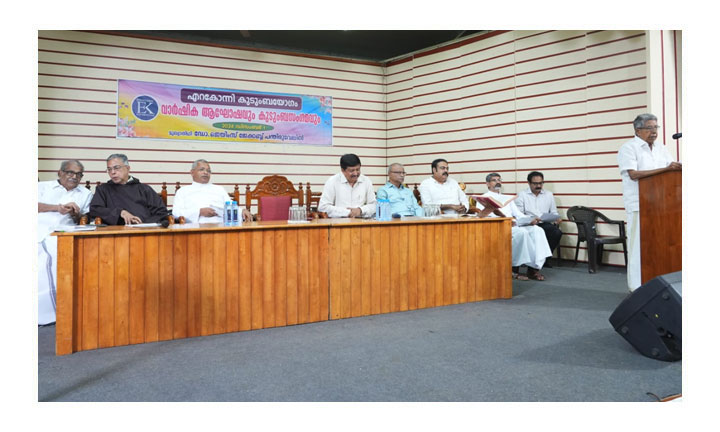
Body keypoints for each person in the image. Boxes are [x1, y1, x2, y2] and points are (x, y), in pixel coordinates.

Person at [617, 113, 682, 291]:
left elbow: (670, 171)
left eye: (656, 127)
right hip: (639, 204)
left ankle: (659, 285)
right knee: (638, 247)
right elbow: (633, 174)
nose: (654, 132)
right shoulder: (628, 148)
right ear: (638, 130)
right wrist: (666, 168)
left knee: (660, 246)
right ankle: (636, 287)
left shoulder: (661, 148)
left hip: (662, 206)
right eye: (649, 128)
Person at [38, 160, 93, 325]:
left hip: (64, 233)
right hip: (38, 229)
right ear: (60, 173)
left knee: (60, 256)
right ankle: (45, 314)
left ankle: (60, 312)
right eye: (70, 172)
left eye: (78, 174)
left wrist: (75, 214)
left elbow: (84, 218)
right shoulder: (42, 186)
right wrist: (57, 208)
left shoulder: (85, 193)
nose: (74, 177)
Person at [477, 173, 552, 281]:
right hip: (498, 226)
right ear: (487, 184)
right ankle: (513, 269)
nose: (498, 182)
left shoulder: (507, 198)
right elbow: (484, 216)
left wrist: (530, 219)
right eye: (494, 180)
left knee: (537, 230)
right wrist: (504, 219)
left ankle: (533, 268)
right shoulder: (483, 198)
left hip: (514, 224)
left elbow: (519, 214)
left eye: (499, 180)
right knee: (522, 233)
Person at [89, 154, 170, 225]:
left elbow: (161, 212)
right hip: (116, 234)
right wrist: (120, 212)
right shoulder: (103, 190)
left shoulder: (144, 189)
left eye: (116, 168)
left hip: (145, 231)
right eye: (109, 169)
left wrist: (142, 223)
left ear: (128, 168)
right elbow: (95, 210)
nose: (112, 172)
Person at [172, 159, 252, 223]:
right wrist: (199, 212)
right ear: (192, 172)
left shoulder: (219, 189)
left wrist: (242, 211)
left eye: (208, 171)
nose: (205, 173)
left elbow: (230, 206)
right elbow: (176, 213)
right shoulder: (183, 191)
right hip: (195, 227)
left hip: (221, 225)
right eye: (201, 170)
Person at [515, 171, 562, 267]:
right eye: (535, 183)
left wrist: (557, 217)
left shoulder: (548, 194)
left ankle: (545, 259)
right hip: (528, 224)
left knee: (556, 232)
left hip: (543, 222)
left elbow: (553, 211)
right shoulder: (522, 195)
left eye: (541, 183)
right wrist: (531, 219)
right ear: (528, 183)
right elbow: (519, 214)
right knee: (537, 232)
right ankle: (532, 260)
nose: (538, 186)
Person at [318, 153, 376, 218]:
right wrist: (347, 212)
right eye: (352, 171)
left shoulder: (366, 181)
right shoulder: (332, 181)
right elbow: (323, 207)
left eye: (358, 169)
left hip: (361, 223)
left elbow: (374, 205)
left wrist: (360, 210)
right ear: (343, 170)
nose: (355, 173)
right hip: (338, 224)